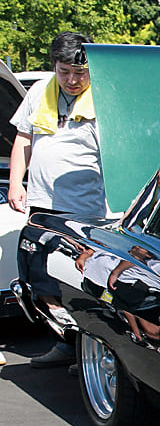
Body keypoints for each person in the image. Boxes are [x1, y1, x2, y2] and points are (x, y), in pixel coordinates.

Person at [8, 31, 105, 368]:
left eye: (80, 73)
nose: (72, 80)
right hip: (43, 204)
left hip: (89, 210)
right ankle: (65, 342)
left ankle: (92, 351)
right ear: (54, 66)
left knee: (84, 284)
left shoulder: (106, 98)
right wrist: (16, 183)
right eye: (64, 72)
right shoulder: (39, 91)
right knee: (40, 278)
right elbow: (24, 138)